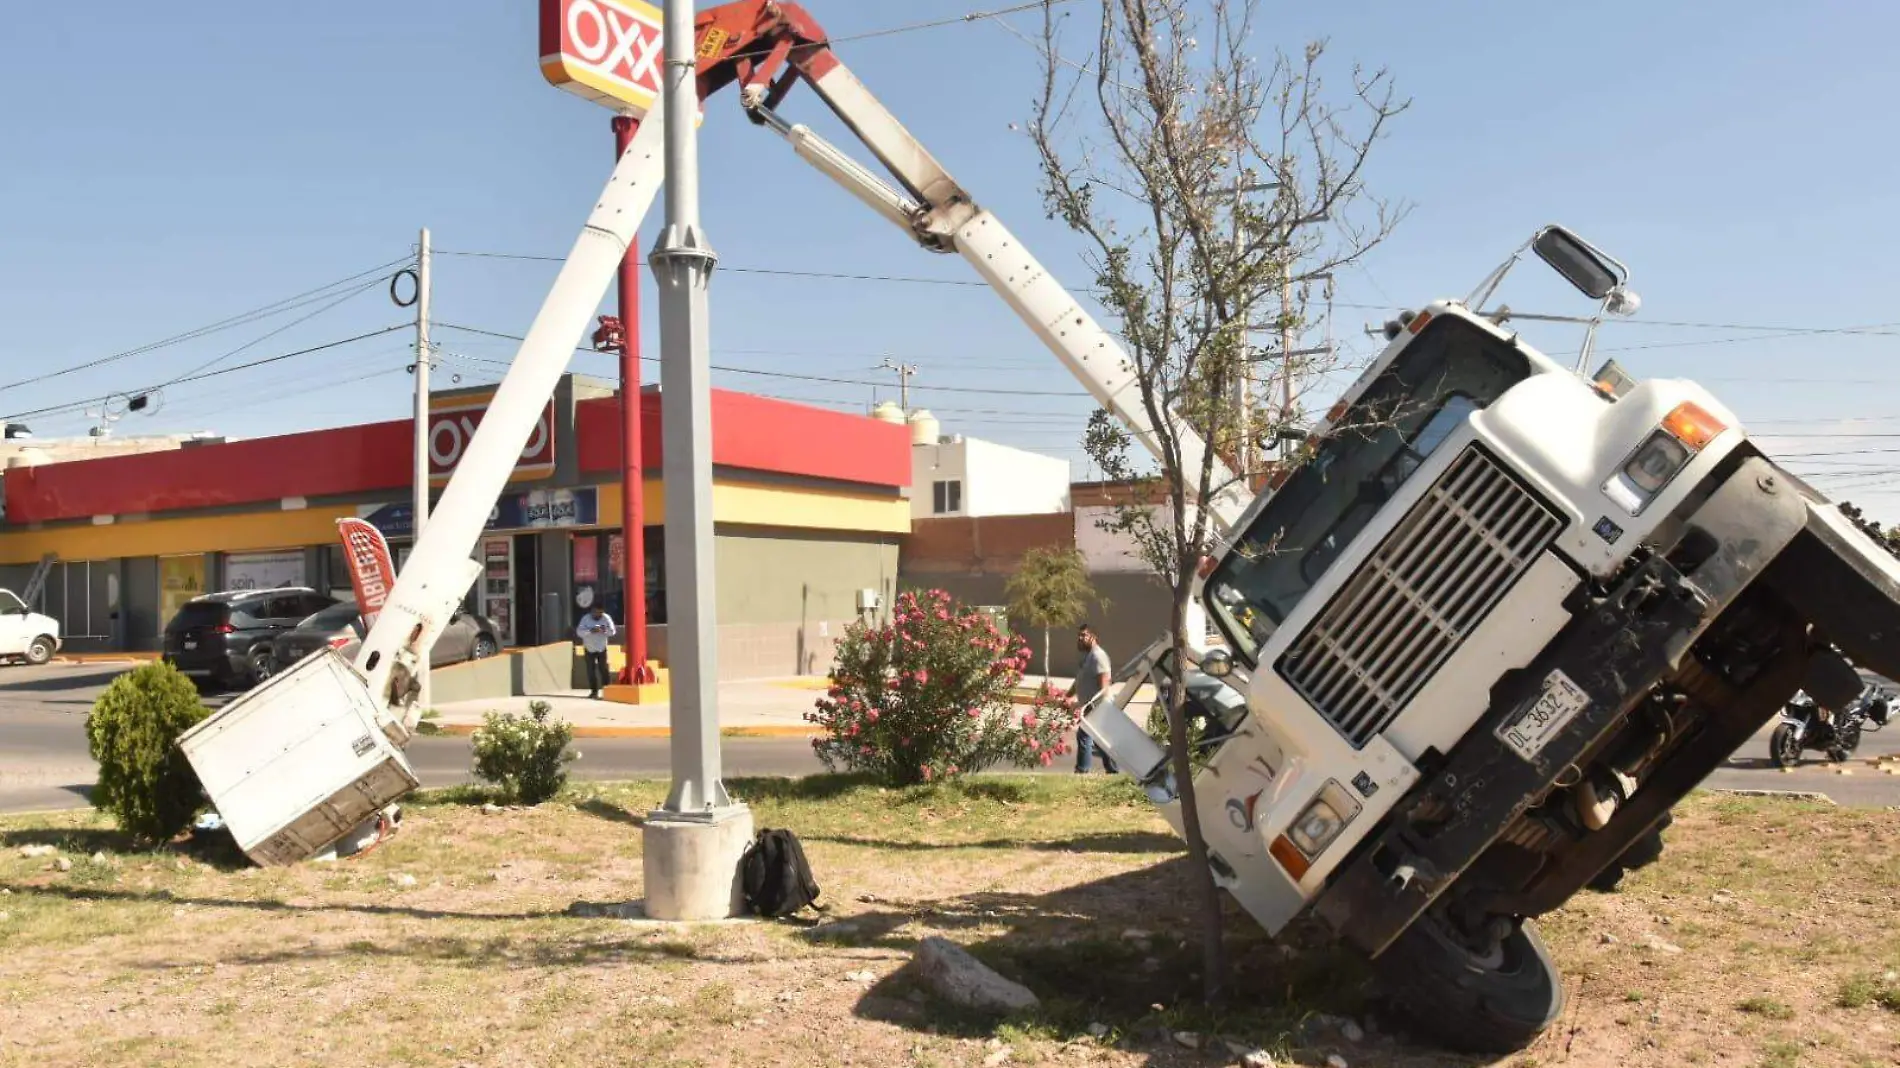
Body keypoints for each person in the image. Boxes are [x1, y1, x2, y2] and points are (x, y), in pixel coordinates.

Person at [1068, 624, 1117, 774]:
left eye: (1083, 635)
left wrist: (1088, 705)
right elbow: (1080, 680)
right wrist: (1067, 696)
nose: (1080, 638)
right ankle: (1113, 770)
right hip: (1090, 706)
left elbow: (1104, 687)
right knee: (1101, 742)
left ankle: (1082, 771)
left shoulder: (1098, 656)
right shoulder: (1088, 657)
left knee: (1084, 737)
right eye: (1079, 635)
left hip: (1098, 706)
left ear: (1093, 637)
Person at [576, 604, 617, 699]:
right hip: (589, 648)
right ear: (592, 611)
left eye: (600, 613)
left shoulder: (606, 618)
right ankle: (594, 692)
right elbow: (579, 632)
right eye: (596, 612)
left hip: (601, 647)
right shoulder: (585, 619)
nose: (598, 615)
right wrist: (591, 630)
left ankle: (607, 691)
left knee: (603, 669)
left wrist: (603, 630)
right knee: (591, 670)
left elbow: (613, 632)